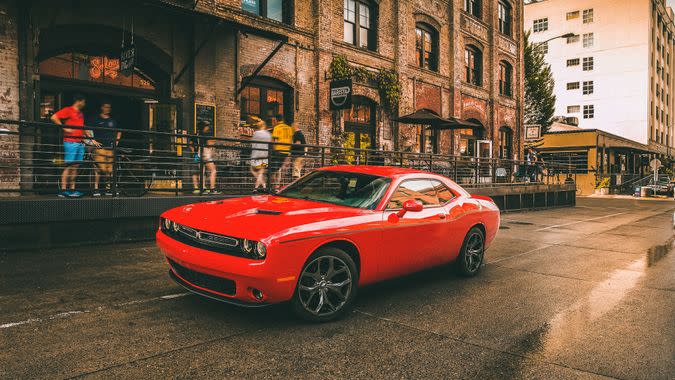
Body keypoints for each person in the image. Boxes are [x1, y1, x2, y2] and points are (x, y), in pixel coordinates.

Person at [51, 94, 87, 197]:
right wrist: (64, 128)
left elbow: (81, 126)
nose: (84, 104)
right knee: (68, 165)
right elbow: (54, 117)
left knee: (75, 167)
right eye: (84, 102)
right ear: (79, 101)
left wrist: (86, 134)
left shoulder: (80, 113)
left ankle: (72, 190)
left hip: (80, 142)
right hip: (70, 142)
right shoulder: (68, 110)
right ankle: (63, 190)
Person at [89, 102, 121, 196]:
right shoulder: (95, 119)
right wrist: (93, 140)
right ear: (102, 107)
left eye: (109, 107)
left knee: (110, 169)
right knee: (98, 169)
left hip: (110, 148)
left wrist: (117, 141)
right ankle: (95, 189)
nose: (108, 109)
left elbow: (119, 131)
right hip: (100, 148)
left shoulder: (112, 120)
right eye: (106, 107)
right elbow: (86, 129)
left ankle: (108, 189)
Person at [191, 121, 219, 194]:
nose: (208, 127)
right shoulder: (206, 134)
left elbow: (190, 144)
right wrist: (213, 142)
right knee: (213, 170)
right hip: (206, 153)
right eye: (207, 126)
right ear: (204, 127)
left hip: (198, 154)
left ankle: (202, 188)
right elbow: (209, 144)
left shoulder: (196, 134)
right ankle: (212, 188)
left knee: (201, 172)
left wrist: (194, 151)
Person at [270, 114, 293, 192]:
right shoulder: (289, 128)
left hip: (278, 151)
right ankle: (277, 186)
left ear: (276, 120)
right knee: (279, 169)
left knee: (273, 170)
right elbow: (291, 141)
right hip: (286, 151)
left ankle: (273, 186)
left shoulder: (276, 128)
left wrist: (273, 150)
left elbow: (275, 141)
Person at [249, 117, 272, 193]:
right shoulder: (268, 134)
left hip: (256, 154)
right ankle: (264, 186)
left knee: (253, 170)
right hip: (265, 155)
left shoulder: (256, 133)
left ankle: (257, 188)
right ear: (264, 126)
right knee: (260, 172)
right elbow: (270, 144)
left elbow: (252, 143)